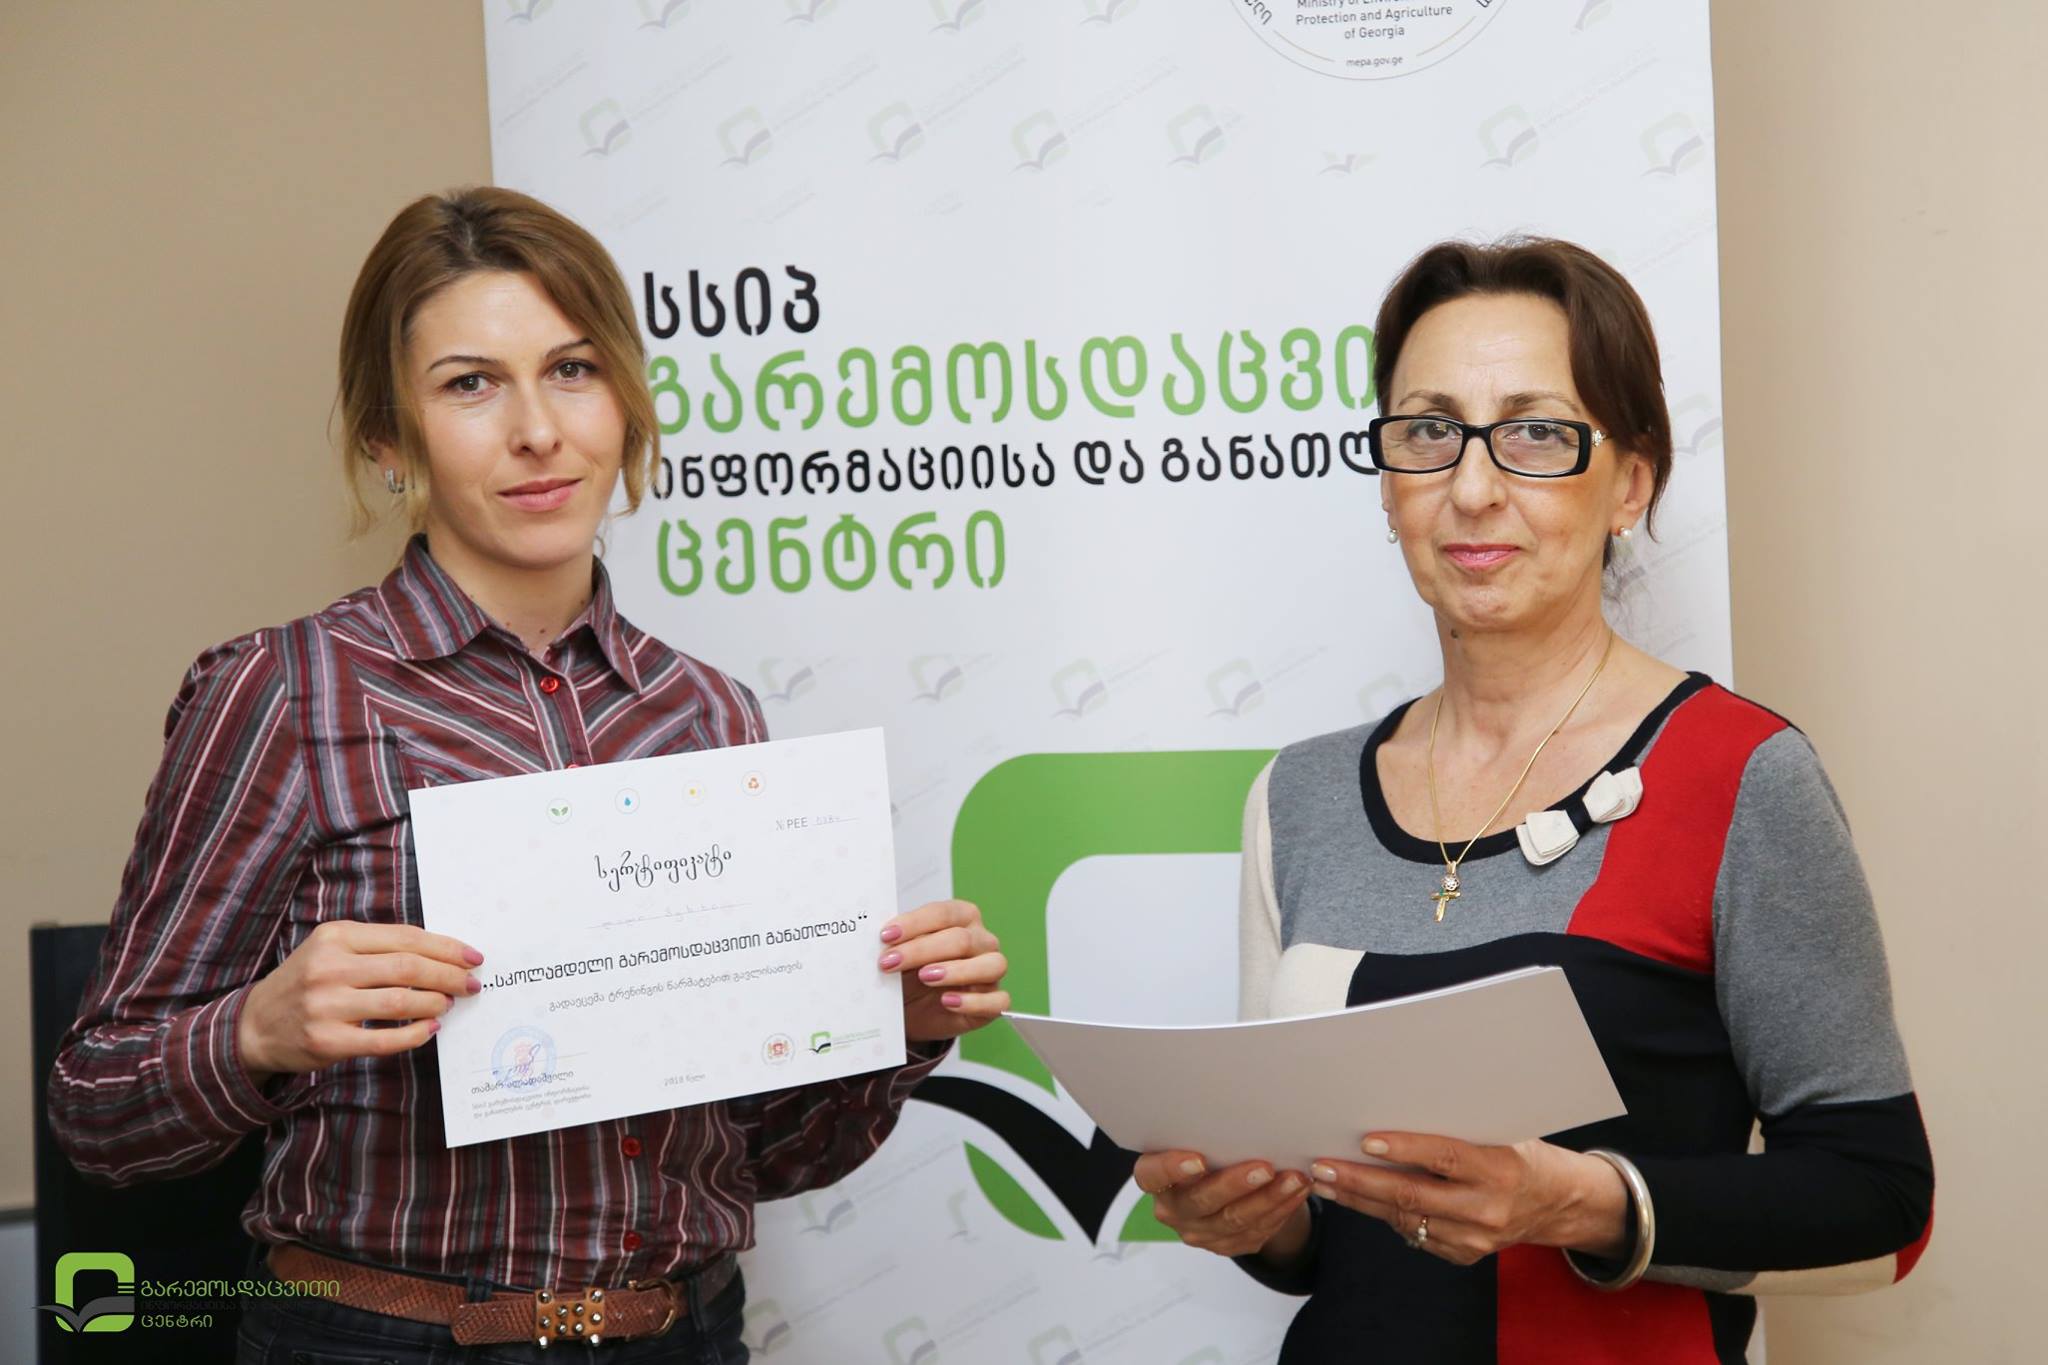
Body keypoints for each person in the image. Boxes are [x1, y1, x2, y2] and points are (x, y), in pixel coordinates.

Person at [47, 187, 1010, 1364]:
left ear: (625, 401)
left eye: (572, 369)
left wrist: (888, 1028)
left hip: (685, 1336)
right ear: (387, 439)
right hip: (385, 1345)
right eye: (470, 384)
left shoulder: (708, 716)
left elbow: (764, 1156)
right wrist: (256, 1029)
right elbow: (97, 1113)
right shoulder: (286, 692)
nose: (537, 430)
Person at [1132, 238, 1933, 1363]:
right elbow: (1325, 1240)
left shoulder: (1739, 774)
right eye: (1428, 432)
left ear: (1630, 484)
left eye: (1536, 434)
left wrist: (1582, 1203)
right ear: (1388, 483)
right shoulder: (1297, 795)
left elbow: (1881, 1204)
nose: (1471, 488)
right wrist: (1252, 1222)